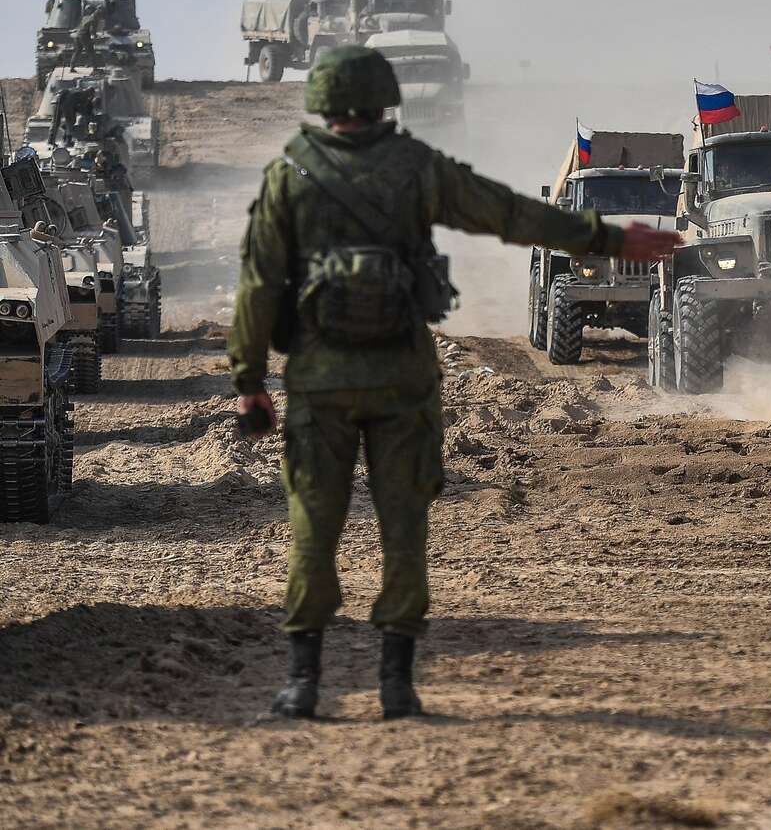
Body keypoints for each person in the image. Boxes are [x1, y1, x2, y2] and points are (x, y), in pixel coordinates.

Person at [229, 45, 678, 721]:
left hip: (319, 380)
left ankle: (302, 679)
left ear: (319, 100)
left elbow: (259, 283)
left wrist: (248, 380)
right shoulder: (417, 167)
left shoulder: (288, 173)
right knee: (403, 528)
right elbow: (508, 214)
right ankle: (396, 683)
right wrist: (606, 238)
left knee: (312, 528)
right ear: (384, 100)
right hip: (403, 377)